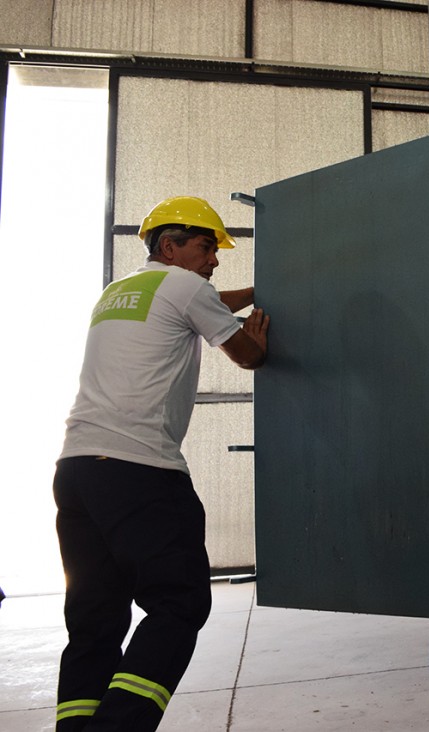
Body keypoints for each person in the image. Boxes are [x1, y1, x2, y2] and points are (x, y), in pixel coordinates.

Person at [52, 195, 269, 731]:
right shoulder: (187, 287)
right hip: (138, 469)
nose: (214, 259)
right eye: (205, 247)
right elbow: (246, 353)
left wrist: (258, 293)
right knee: (178, 603)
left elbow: (210, 297)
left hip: (77, 470)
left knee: (95, 621)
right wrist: (259, 333)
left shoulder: (120, 291)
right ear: (169, 245)